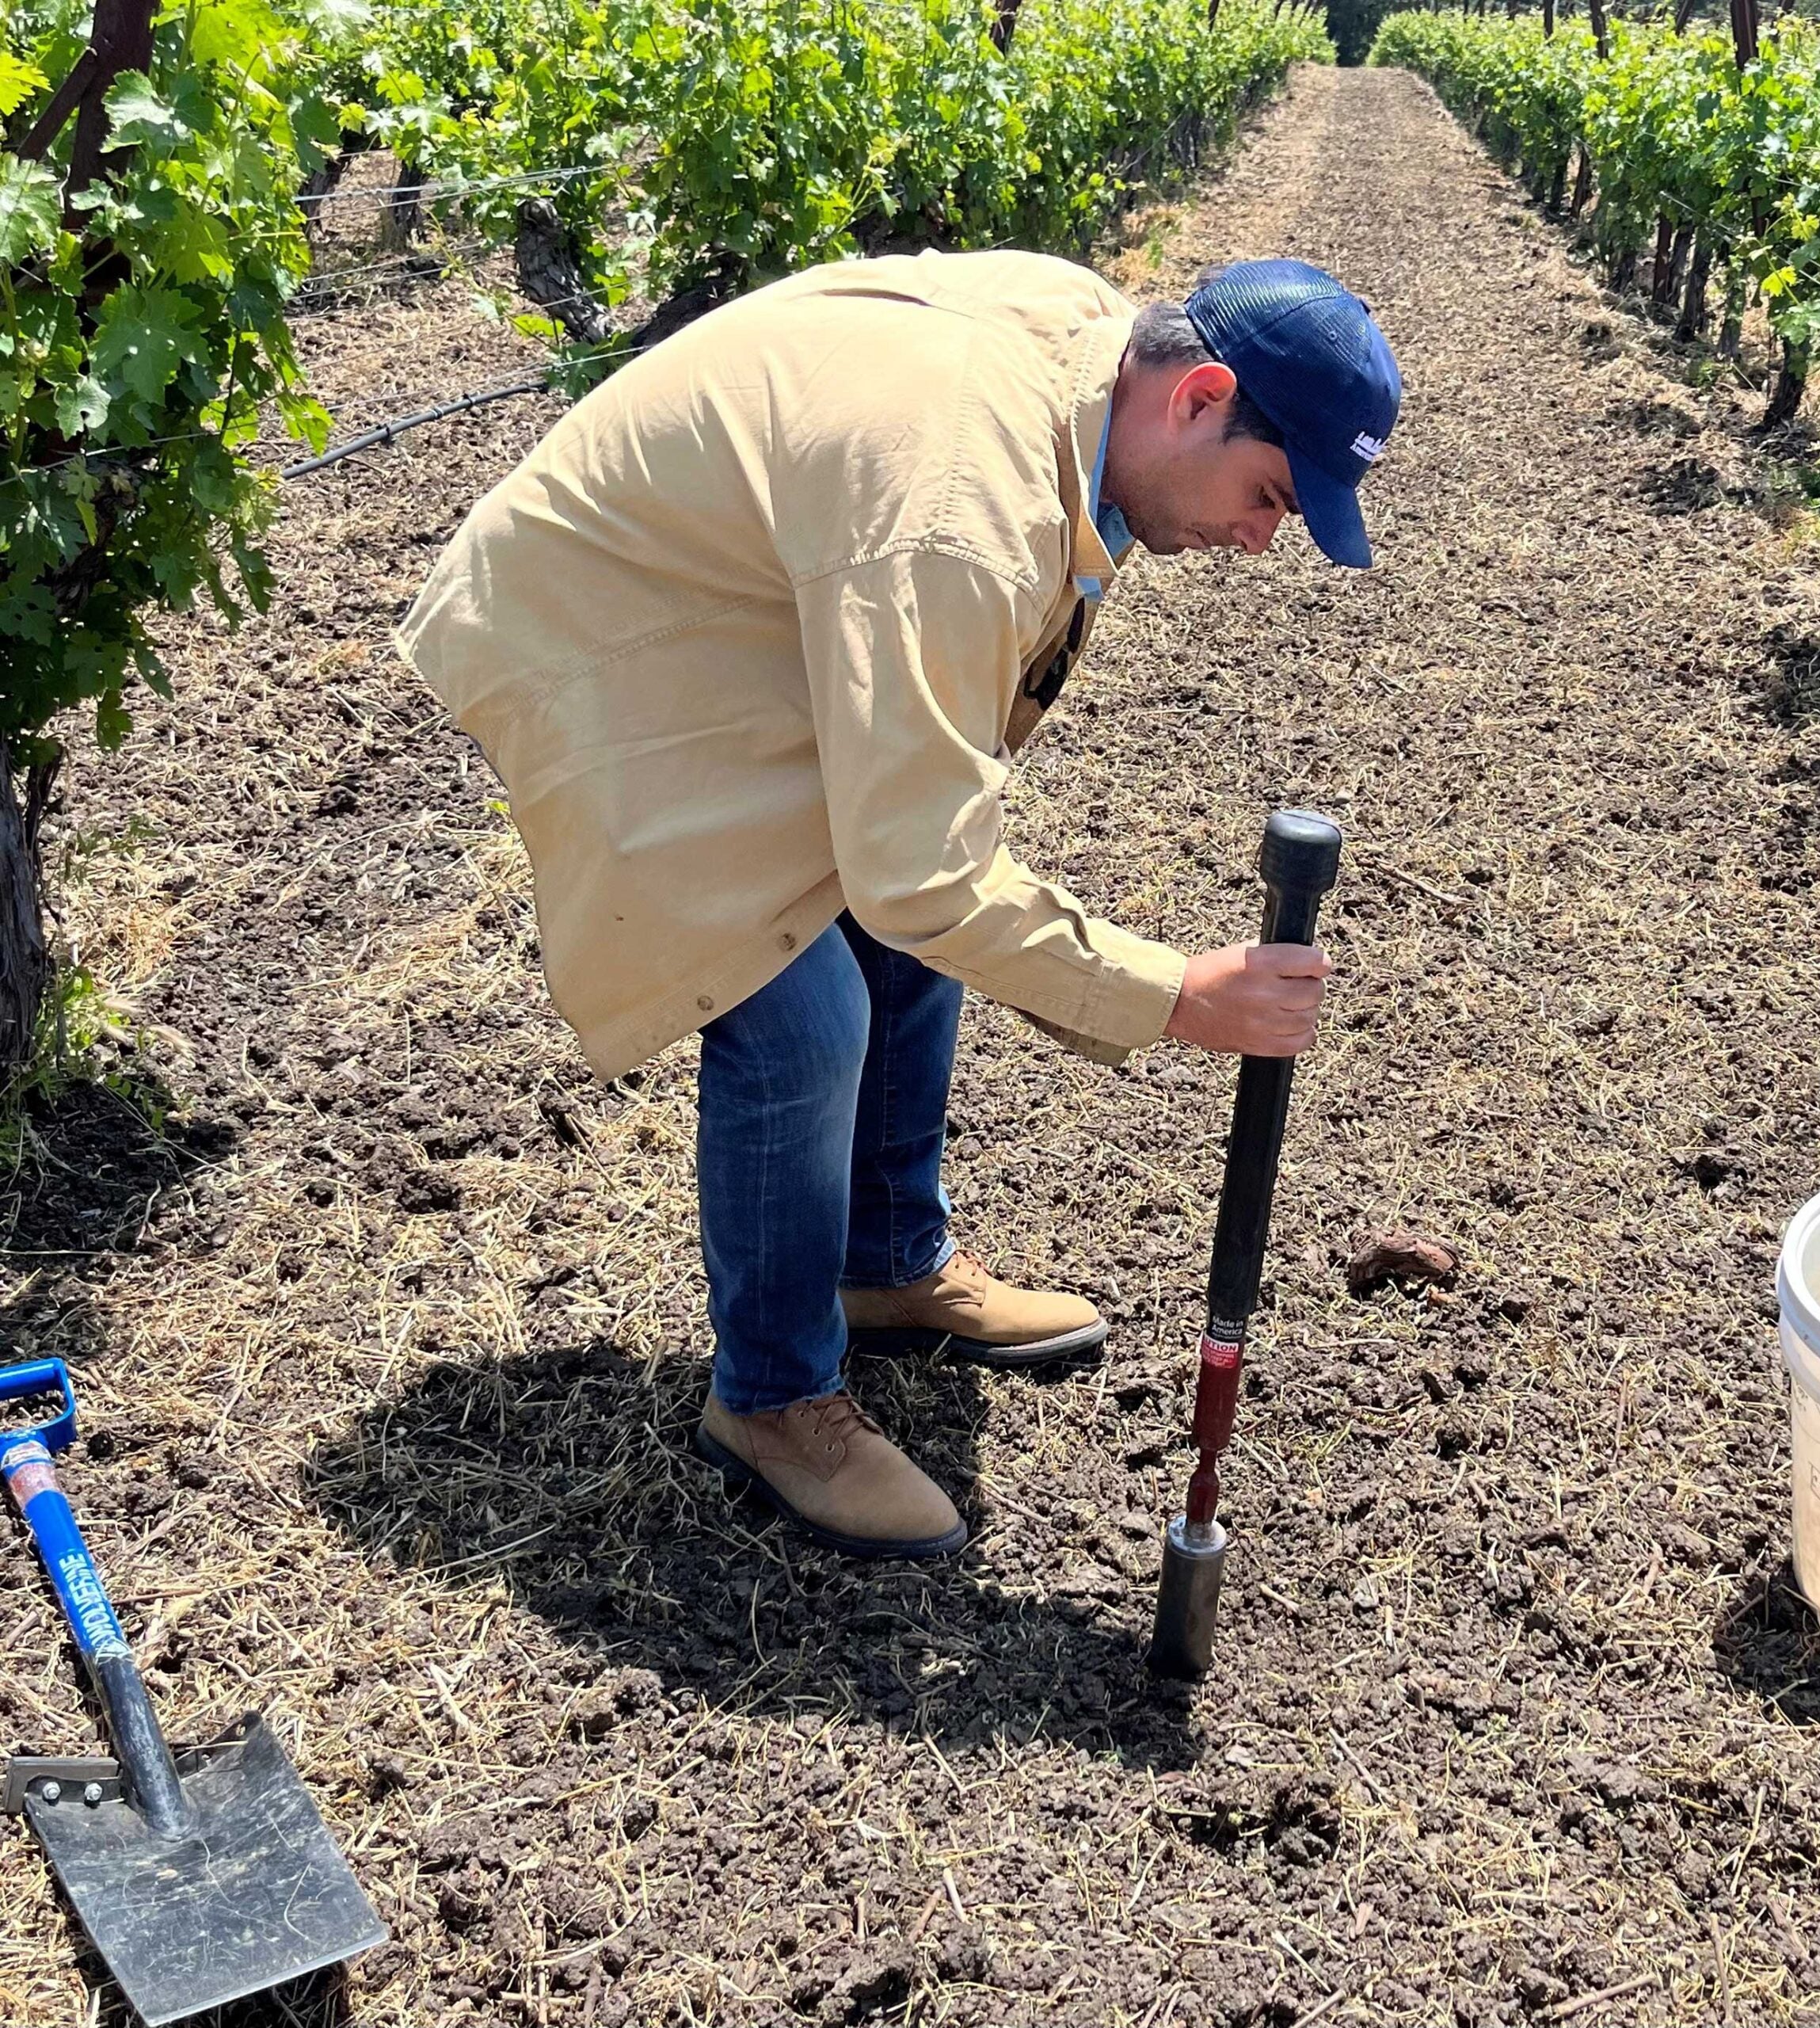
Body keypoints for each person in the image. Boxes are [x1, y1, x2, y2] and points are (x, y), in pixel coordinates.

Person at [397, 250, 1400, 1560]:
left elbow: (922, 852)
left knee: (903, 920)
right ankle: (769, 1400)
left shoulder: (1095, 366)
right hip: (607, 625)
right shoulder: (952, 505)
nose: (1261, 539)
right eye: (1270, 495)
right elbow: (921, 871)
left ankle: (882, 1264)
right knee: (799, 1005)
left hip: (754, 591)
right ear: (1197, 394)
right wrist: (1171, 996)